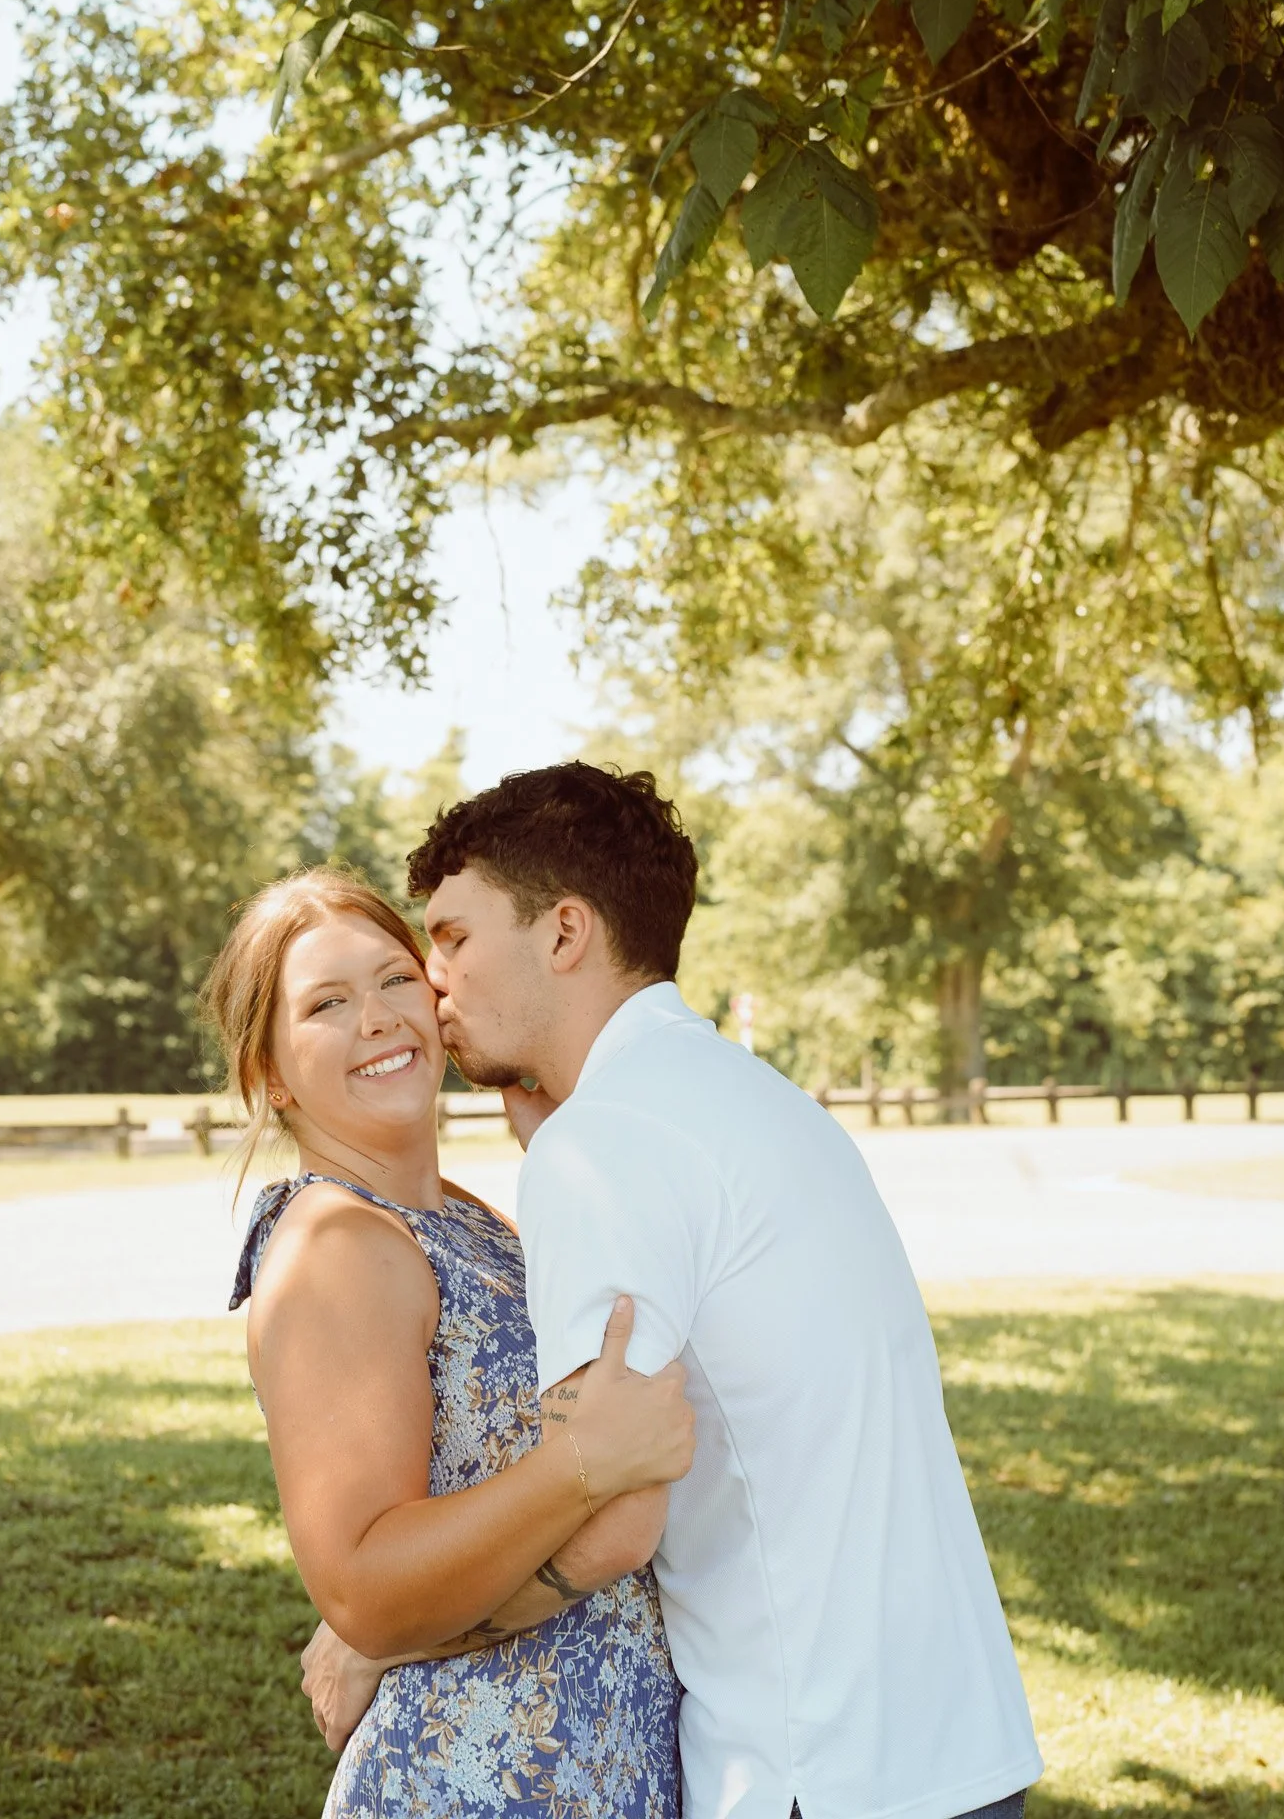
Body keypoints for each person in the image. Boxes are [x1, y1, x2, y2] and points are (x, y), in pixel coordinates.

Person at [308, 762, 1044, 1819]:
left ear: (565, 931)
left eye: (455, 936)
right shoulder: (750, 1096)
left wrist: (389, 1634)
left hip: (812, 1769)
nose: (432, 978)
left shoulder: (601, 1147)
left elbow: (613, 1524)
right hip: (946, 1740)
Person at [205, 867, 692, 1819]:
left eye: (396, 979)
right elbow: (363, 1587)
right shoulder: (334, 1245)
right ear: (269, 1075)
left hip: (597, 1766)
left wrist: (561, 1145)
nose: (378, 1017)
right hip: (472, 1779)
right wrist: (580, 1466)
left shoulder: (462, 1219)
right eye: (326, 1004)